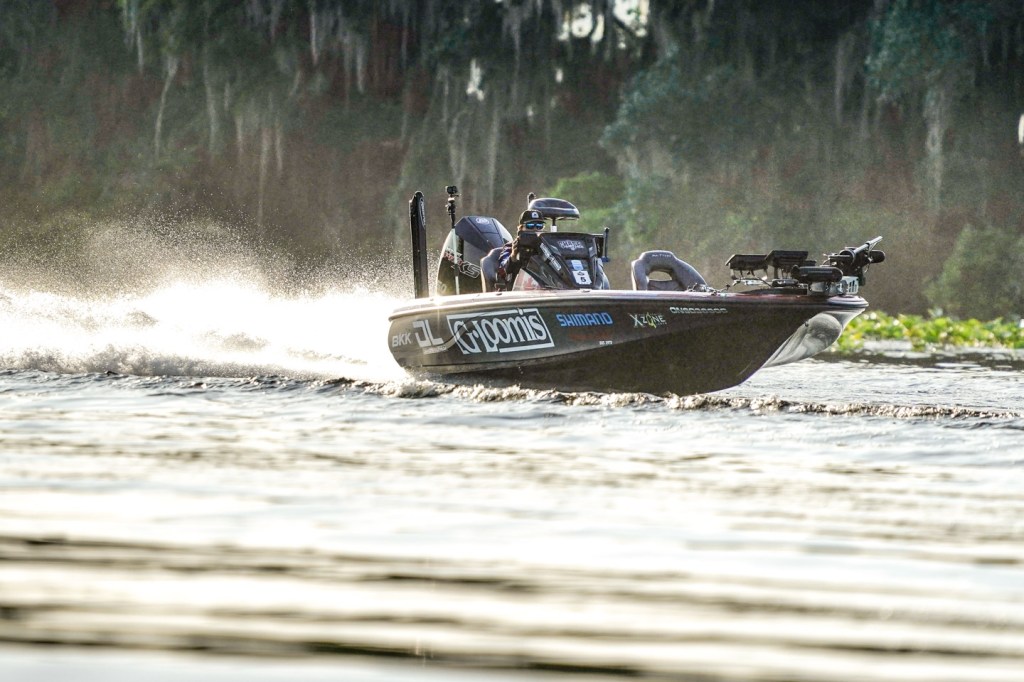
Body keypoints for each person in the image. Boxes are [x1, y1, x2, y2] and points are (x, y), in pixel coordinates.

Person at [495, 209, 546, 286]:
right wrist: (513, 256)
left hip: (545, 287)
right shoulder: (510, 246)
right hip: (518, 288)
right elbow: (503, 268)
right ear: (520, 228)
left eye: (539, 226)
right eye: (530, 226)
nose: (535, 229)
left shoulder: (547, 247)